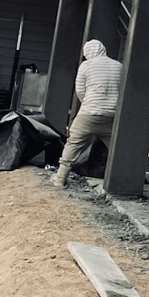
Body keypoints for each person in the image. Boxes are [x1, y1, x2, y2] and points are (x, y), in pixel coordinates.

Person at [53, 39, 123, 188]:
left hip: (89, 113)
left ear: (87, 53)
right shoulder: (119, 66)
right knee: (117, 149)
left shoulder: (86, 66)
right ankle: (121, 182)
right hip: (112, 116)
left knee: (73, 144)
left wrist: (88, 103)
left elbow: (80, 90)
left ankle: (60, 178)